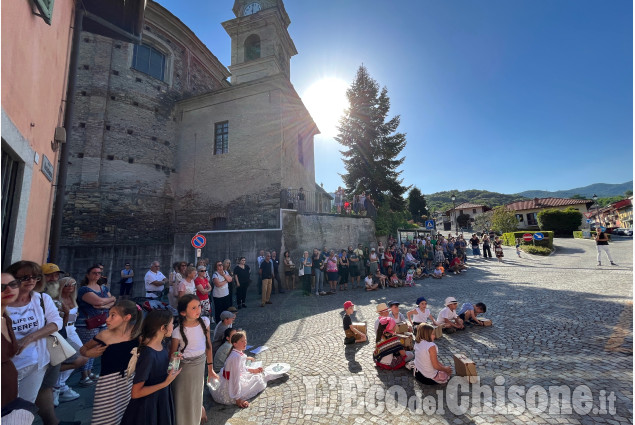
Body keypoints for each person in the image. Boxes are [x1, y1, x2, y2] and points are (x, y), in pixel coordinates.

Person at [5, 261, 68, 425]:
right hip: (7, 366)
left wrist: (29, 338)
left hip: (36, 363)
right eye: (25, 277)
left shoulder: (41, 299)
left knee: (24, 409)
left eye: (35, 277)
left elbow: (56, 322)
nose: (31, 280)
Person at [80, 300, 142, 425]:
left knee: (127, 414)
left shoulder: (137, 335)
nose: (107, 319)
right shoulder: (105, 335)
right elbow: (83, 349)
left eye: (113, 315)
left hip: (129, 381)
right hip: (108, 384)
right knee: (106, 417)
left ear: (127, 317)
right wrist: (89, 354)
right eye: (109, 315)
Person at [120, 310, 177, 425]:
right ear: (163, 328)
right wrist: (165, 384)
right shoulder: (148, 354)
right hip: (148, 406)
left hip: (161, 400)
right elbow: (135, 392)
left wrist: (173, 361)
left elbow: (158, 370)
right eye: (171, 323)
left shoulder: (162, 345)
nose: (173, 326)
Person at [170, 294, 218, 425]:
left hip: (200, 365)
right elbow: (172, 356)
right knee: (182, 398)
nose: (198, 310)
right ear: (183, 312)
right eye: (193, 308)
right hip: (183, 370)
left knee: (197, 395)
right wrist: (171, 371)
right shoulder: (177, 332)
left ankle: (197, 415)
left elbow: (208, 346)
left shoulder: (205, 322)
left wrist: (210, 369)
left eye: (198, 306)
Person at [2, 271, 39, 425]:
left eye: (12, 284)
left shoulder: (6, 319)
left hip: (8, 392)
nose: (9, 290)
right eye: (1, 287)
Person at [211, 331, 284, 408]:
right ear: (235, 344)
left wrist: (253, 370)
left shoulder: (236, 353)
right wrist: (237, 399)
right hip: (231, 384)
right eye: (242, 341)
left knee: (256, 375)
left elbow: (242, 368)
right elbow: (234, 379)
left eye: (245, 340)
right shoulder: (236, 357)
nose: (245, 343)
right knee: (259, 381)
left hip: (231, 378)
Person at [76, 265, 116, 386]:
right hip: (88, 322)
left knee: (97, 347)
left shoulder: (103, 287)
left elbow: (113, 300)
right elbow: (99, 301)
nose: (97, 275)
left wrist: (105, 304)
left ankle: (90, 372)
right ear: (88, 275)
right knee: (88, 348)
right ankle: (84, 375)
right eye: (94, 273)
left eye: (99, 273)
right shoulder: (84, 289)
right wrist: (105, 302)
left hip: (102, 321)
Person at [53, 277, 88, 405]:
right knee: (68, 358)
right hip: (62, 331)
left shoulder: (73, 299)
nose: (70, 287)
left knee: (83, 355)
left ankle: (61, 384)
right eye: (67, 285)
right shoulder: (56, 300)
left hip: (72, 330)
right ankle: (57, 386)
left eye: (73, 284)